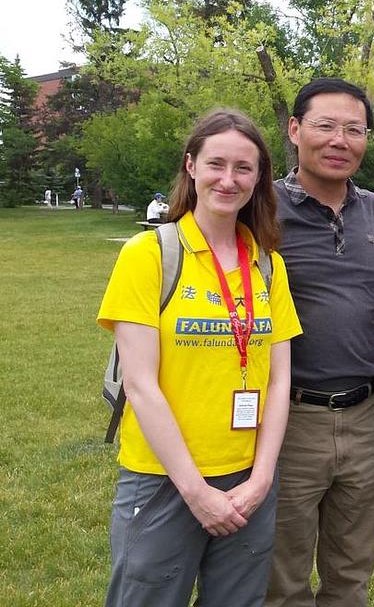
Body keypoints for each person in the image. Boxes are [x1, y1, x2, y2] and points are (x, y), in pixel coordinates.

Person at [97, 109, 302, 606]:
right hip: (162, 478)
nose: (228, 180)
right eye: (216, 164)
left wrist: (262, 478)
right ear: (191, 166)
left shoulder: (268, 265)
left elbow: (279, 380)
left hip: (246, 479)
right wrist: (196, 492)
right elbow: (141, 385)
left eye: (243, 168)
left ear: (259, 178)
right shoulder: (148, 254)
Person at [267, 78, 374, 607]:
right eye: (325, 126)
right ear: (295, 130)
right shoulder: (261, 210)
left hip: (367, 414)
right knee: (281, 575)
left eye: (354, 129)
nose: (340, 140)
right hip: (288, 418)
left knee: (351, 574)